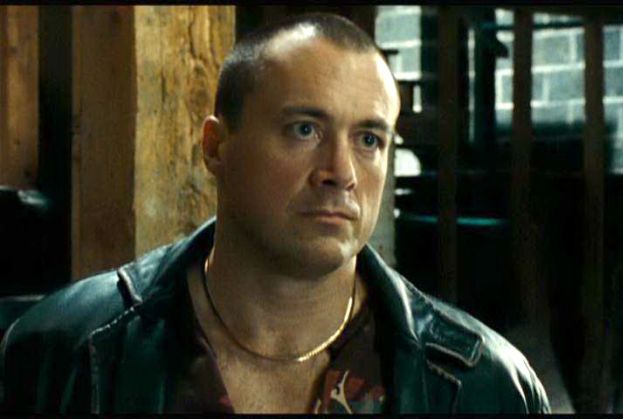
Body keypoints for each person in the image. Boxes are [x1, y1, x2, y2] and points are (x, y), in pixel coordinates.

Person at [0, 13, 550, 414]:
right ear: (216, 147)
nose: (341, 172)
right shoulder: (63, 355)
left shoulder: (484, 385)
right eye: (304, 130)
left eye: (368, 139)